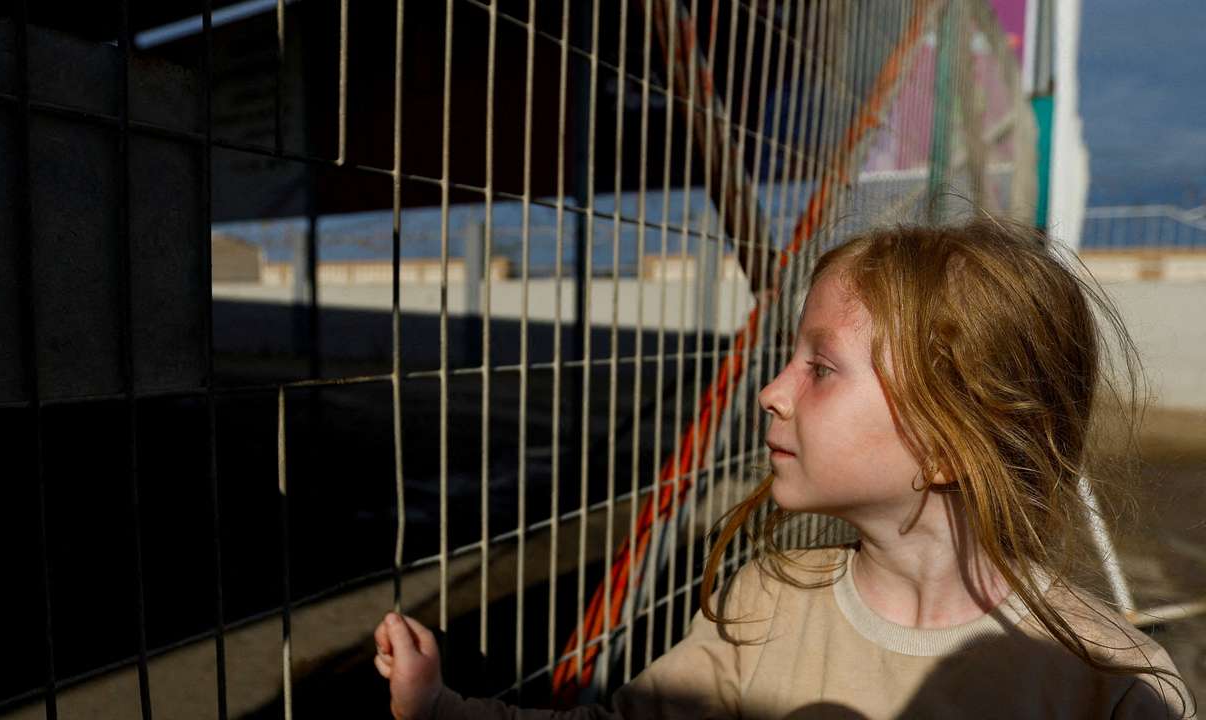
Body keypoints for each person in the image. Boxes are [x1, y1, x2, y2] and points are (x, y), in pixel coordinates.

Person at [374, 218, 1194, 719]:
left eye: (821, 368)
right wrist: (441, 709)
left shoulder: (1114, 685)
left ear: (954, 440)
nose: (771, 393)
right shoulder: (768, 601)